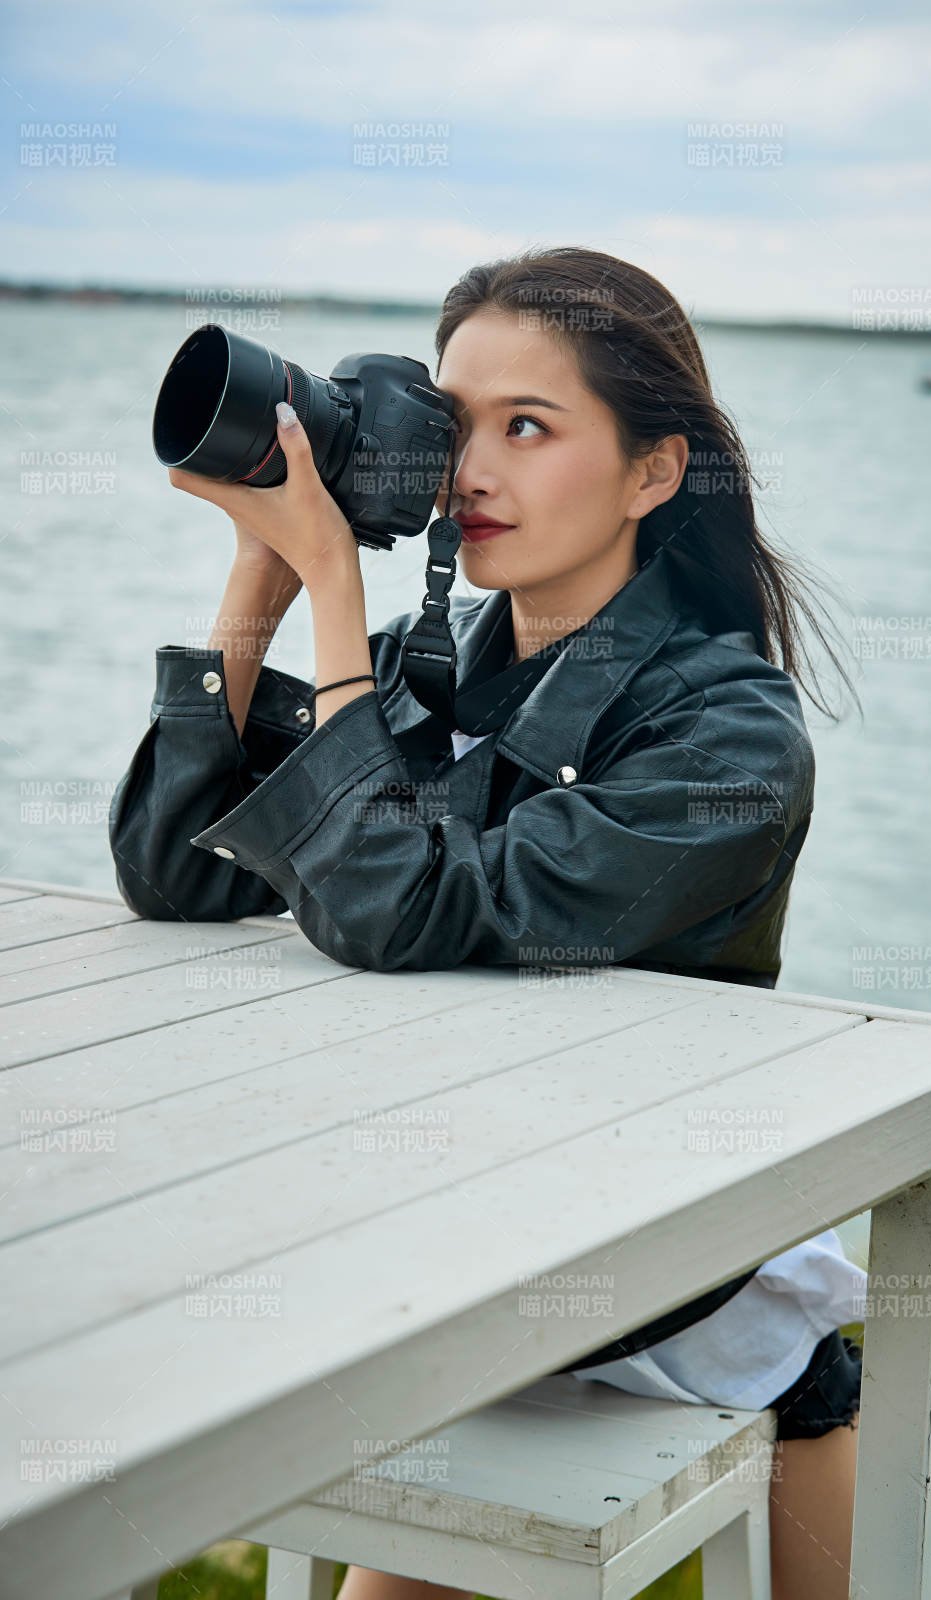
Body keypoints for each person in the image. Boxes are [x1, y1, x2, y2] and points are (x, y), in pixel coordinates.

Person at [108, 246, 865, 1600]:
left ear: (654, 469)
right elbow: (176, 870)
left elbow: (398, 911)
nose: (472, 471)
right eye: (457, 427)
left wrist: (339, 594)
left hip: (643, 1264)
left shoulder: (732, 737)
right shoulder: (432, 668)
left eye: (530, 426)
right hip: (458, 1229)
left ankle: (803, 1375)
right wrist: (262, 578)